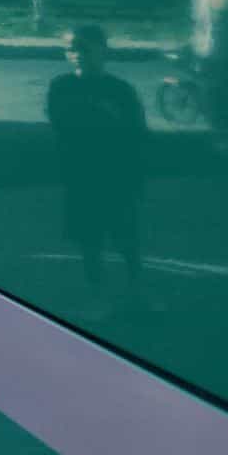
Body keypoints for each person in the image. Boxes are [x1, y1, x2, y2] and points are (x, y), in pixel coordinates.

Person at [45, 25, 146, 294]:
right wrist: (102, 117)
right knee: (89, 239)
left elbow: (136, 133)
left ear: (103, 51)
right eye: (71, 49)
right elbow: (61, 124)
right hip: (81, 174)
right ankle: (97, 292)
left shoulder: (120, 90)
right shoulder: (61, 86)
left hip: (116, 175)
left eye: (84, 48)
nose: (77, 54)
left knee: (126, 237)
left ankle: (137, 288)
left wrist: (136, 177)